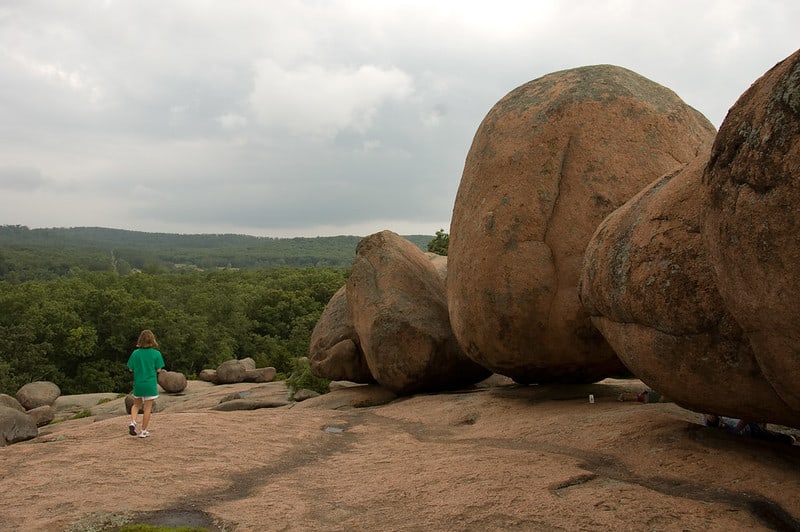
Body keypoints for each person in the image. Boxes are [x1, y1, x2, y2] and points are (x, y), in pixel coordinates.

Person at [127, 329, 166, 438]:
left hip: (139, 384)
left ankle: (133, 422)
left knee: (136, 405)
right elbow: (159, 369)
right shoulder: (156, 354)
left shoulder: (135, 353)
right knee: (147, 408)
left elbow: (130, 368)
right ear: (152, 340)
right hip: (150, 384)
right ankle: (143, 431)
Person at [704, 414, 796, 445]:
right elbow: (744, 421)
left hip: (746, 426)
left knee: (766, 434)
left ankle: (789, 439)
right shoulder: (730, 432)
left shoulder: (710, 422)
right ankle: (790, 439)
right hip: (750, 430)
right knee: (770, 436)